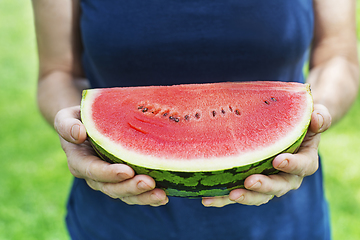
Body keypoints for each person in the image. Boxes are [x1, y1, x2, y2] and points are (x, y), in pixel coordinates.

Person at [31, 0, 358, 239]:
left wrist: (314, 116)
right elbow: (57, 73)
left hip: (283, 219)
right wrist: (77, 130)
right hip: (116, 222)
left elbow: (338, 56)